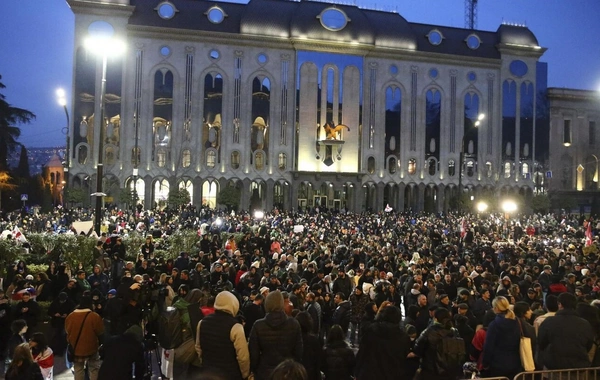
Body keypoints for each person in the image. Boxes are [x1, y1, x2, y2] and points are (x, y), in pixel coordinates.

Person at [195, 291, 250, 380]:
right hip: (230, 374)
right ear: (234, 305)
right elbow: (243, 357)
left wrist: (204, 362)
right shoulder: (236, 326)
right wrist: (245, 374)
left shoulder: (202, 322)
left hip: (208, 372)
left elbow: (198, 347)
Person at [249, 290, 303, 380]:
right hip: (287, 372)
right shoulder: (294, 323)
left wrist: (255, 369)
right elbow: (299, 352)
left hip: (264, 372)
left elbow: (253, 353)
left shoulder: (258, 325)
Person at [538, 292, 593, 371]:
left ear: (560, 304)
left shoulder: (549, 322)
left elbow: (541, 343)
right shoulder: (585, 323)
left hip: (554, 366)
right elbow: (588, 344)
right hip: (579, 367)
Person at [355, 305, 411, 380]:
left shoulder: (371, 331)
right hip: (392, 374)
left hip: (370, 373)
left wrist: (357, 371)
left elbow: (362, 353)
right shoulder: (403, 337)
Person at [413, 307, 463, 380]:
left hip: (431, 371)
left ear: (435, 319)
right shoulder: (454, 332)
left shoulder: (428, 332)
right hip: (451, 371)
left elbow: (417, 349)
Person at [64, 295, 104, 380]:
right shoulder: (94, 316)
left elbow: (67, 331)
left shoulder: (70, 316)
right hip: (91, 348)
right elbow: (100, 332)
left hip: (76, 348)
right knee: (94, 368)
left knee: (78, 369)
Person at [481, 296, 521, 378]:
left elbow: (488, 346)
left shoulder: (494, 325)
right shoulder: (516, 321)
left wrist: (485, 363)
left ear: (496, 308)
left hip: (498, 364)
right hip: (515, 362)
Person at [295, 311, 322, 380]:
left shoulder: (293, 338)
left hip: (297, 372)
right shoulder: (314, 340)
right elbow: (318, 360)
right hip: (311, 373)